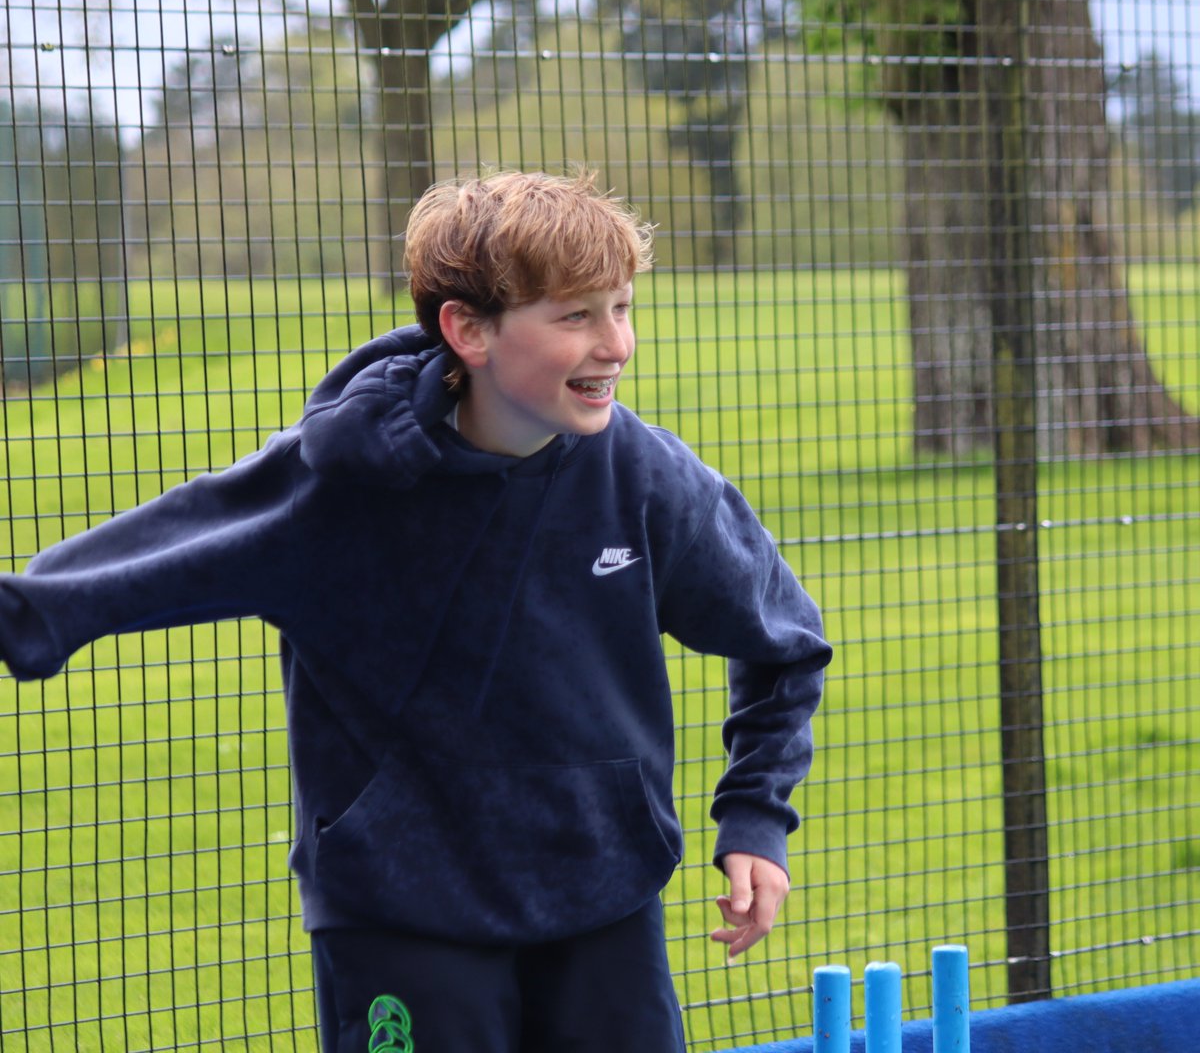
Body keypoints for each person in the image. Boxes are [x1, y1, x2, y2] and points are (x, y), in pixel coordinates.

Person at [0, 170, 831, 1052]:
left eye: (622, 307)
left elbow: (785, 645)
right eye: (576, 316)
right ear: (468, 330)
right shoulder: (338, 489)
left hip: (603, 907)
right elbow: (134, 567)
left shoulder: (649, 479)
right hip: (402, 918)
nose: (616, 343)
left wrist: (755, 818)